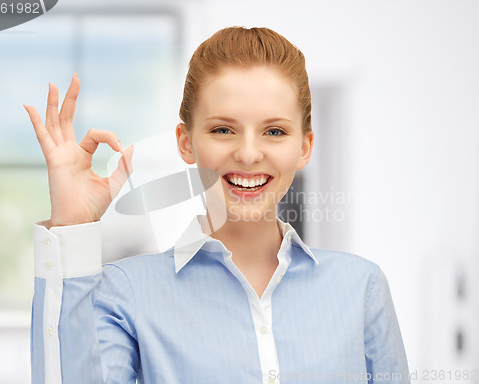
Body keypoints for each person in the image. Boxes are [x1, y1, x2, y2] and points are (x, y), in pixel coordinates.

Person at [24, 27, 411, 384]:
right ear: (186, 142)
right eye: (222, 130)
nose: (247, 153)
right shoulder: (127, 292)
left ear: (304, 146)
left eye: (274, 131)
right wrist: (71, 226)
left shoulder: (361, 288)